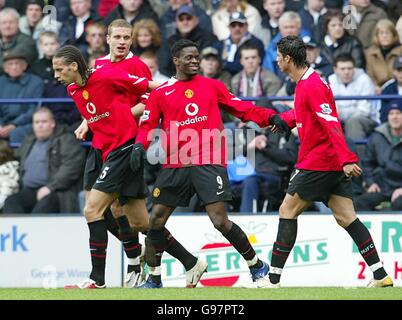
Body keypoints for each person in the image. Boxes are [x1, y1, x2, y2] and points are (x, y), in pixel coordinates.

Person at [130, 39, 291, 288]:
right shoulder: (160, 93)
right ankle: (154, 278)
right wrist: (140, 145)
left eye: (197, 57)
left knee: (220, 221)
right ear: (176, 60)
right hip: (176, 163)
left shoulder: (213, 86)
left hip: (208, 161)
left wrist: (269, 116)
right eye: (190, 58)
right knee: (156, 222)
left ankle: (257, 266)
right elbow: (148, 124)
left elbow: (241, 109)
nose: (195, 61)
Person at [255, 35, 393, 288]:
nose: (275, 60)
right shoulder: (309, 83)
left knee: (287, 210)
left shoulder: (312, 85)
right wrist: (285, 120)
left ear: (287, 59)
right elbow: (306, 112)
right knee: (346, 217)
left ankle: (272, 279)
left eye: (278, 56)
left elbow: (331, 123)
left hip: (318, 161)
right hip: (327, 160)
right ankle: (380, 274)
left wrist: (346, 159)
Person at [52, 44, 158, 289]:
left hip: (123, 147)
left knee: (92, 210)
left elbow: (150, 87)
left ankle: (97, 279)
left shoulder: (106, 74)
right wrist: (86, 124)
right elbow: (96, 110)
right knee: (139, 222)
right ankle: (187, 261)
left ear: (73, 66)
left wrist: (182, 89)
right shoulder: (72, 88)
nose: (55, 75)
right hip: (102, 150)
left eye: (59, 69)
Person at [3, 107, 85, 214]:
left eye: (44, 121)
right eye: (36, 122)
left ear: (52, 123)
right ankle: (19, 231)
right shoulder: (28, 141)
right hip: (28, 190)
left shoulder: (67, 140)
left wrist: (50, 187)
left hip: (57, 192)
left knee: (42, 208)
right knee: (11, 202)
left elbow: (71, 168)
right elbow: (14, 158)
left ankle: (32, 231)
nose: (40, 125)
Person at [354, 100, 402, 212]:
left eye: (398, 113)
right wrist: (371, 183)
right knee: (359, 203)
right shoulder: (376, 137)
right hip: (382, 187)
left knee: (399, 205)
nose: (394, 117)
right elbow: (367, 163)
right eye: (391, 113)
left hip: (400, 189)